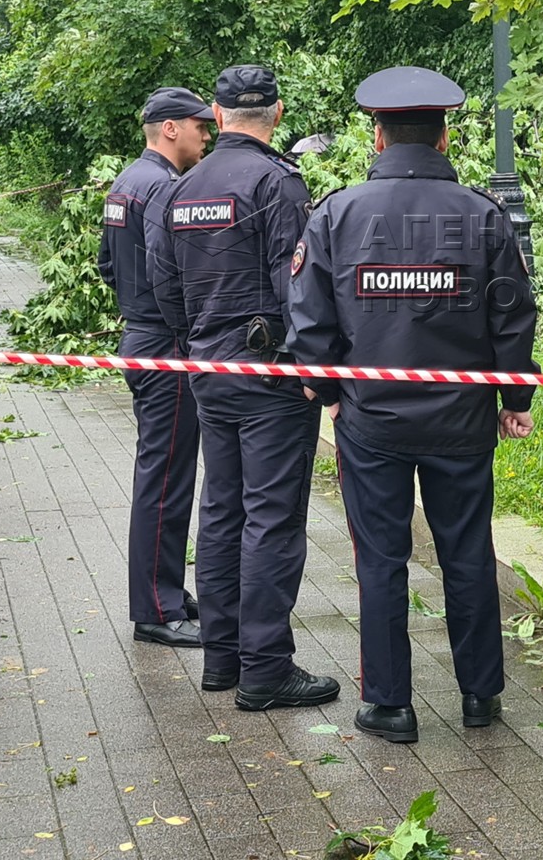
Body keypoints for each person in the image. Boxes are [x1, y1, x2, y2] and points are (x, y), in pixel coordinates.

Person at [286, 65, 538, 746]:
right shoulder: (484, 216)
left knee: (380, 560)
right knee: (467, 554)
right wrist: (515, 398)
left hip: (372, 424)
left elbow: (309, 322)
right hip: (462, 422)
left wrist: (330, 394)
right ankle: (481, 695)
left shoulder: (336, 213)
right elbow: (513, 318)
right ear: (446, 136)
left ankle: (390, 707)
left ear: (376, 135)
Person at [148, 64, 340, 712]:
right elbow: (299, 287)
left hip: (207, 371)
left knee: (223, 509)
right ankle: (265, 670)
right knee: (272, 519)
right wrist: (316, 371)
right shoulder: (278, 181)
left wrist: (198, 343)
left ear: (217, 111)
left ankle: (222, 658)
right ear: (278, 114)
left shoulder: (181, 188)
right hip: (269, 376)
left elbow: (164, 286)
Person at [97, 88, 214, 648]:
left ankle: (166, 589)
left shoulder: (127, 181)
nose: (205, 136)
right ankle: (156, 609)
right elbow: (171, 275)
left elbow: (105, 264)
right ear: (170, 128)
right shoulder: (165, 188)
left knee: (164, 473)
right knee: (165, 478)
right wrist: (186, 331)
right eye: (198, 127)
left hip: (139, 335)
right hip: (166, 344)